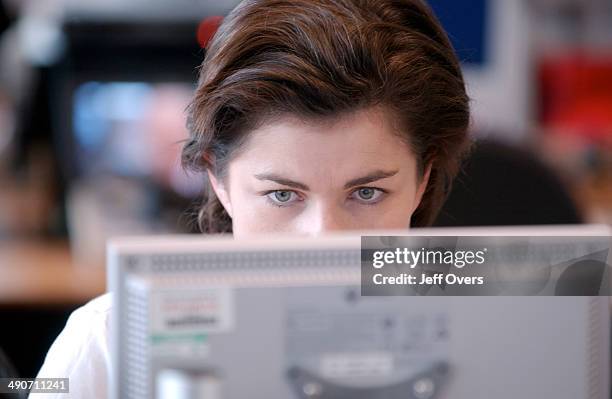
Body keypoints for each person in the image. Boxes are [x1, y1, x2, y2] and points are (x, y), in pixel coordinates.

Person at [31, 0, 470, 397]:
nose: (326, 241)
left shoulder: (496, 345)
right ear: (218, 180)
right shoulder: (109, 346)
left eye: (367, 193)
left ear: (421, 181)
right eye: (282, 195)